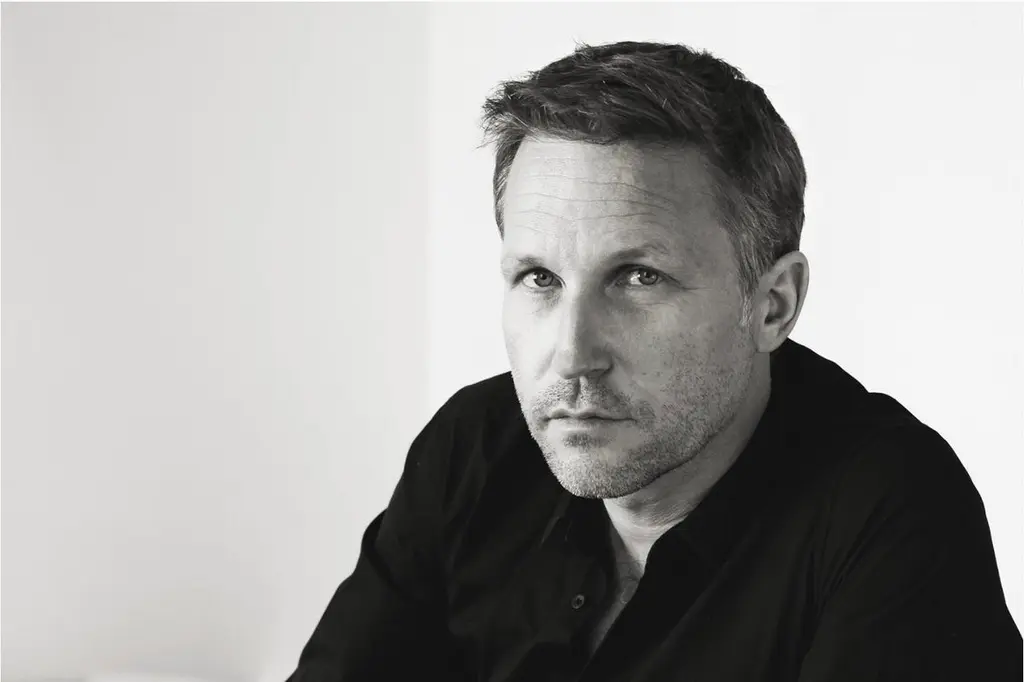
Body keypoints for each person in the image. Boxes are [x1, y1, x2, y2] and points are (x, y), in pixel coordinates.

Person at [286, 41, 1021, 681]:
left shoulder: (890, 508)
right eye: (539, 278)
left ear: (772, 305)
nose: (573, 355)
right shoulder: (475, 446)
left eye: (639, 278)